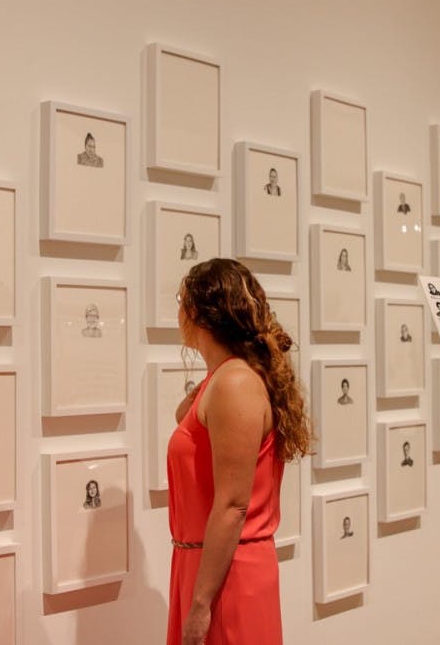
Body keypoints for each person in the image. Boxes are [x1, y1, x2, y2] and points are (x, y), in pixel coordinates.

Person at [168, 258, 310, 645]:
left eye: (182, 301)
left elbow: (232, 504)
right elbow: (184, 414)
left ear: (198, 313)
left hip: (226, 572)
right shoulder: (225, 377)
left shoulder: (234, 383)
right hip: (206, 564)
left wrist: (200, 602)